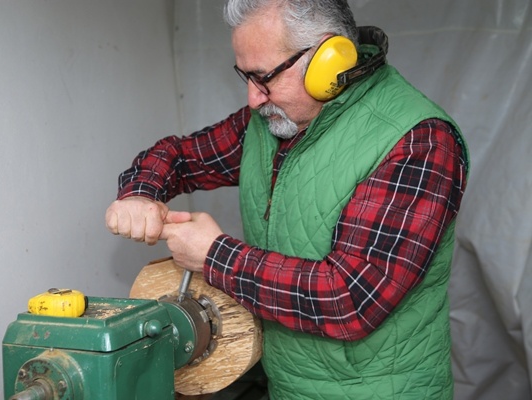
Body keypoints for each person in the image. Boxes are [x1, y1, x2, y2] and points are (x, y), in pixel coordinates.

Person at [105, 0, 469, 398]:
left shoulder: (418, 141)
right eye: (244, 76)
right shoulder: (272, 120)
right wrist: (140, 194)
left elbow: (350, 299)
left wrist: (213, 256)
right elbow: (180, 156)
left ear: (329, 61)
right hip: (287, 386)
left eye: (263, 77)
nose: (253, 99)